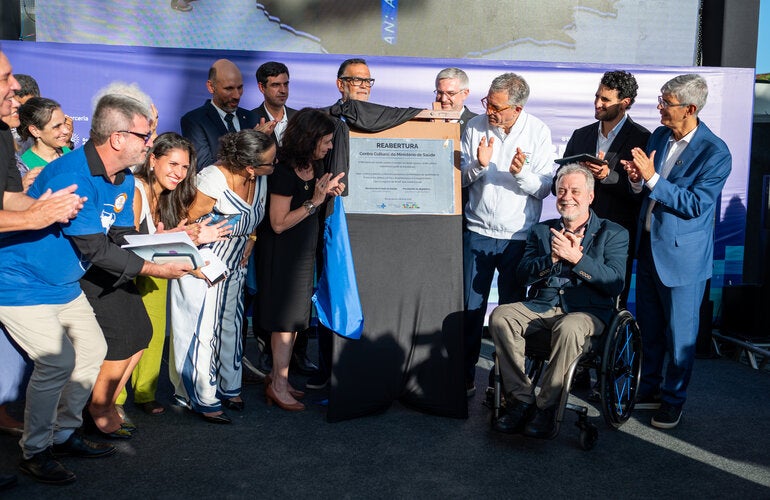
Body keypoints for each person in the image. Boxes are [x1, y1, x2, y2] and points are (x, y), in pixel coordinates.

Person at [0, 70, 191, 484]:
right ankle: (35, 450)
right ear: (118, 138)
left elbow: (121, 237)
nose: (149, 143)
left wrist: (177, 242)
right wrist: (160, 268)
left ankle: (65, 432)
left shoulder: (119, 177)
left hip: (63, 285)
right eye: (144, 136)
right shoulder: (73, 175)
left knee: (92, 350)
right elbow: (95, 248)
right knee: (58, 363)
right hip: (20, 283)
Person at [624, 74, 731, 429]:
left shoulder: (716, 152)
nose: (659, 108)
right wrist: (638, 179)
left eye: (665, 103)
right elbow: (646, 188)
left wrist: (653, 179)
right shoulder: (658, 136)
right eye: (660, 100)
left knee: (680, 337)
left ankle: (673, 401)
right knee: (651, 330)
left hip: (683, 260)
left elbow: (695, 204)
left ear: (689, 108)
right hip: (649, 251)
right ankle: (650, 390)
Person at [489, 164, 628, 438]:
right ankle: (521, 399)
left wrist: (577, 259)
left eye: (575, 191)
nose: (567, 196)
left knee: (570, 326)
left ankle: (546, 406)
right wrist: (551, 259)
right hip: (542, 306)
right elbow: (522, 276)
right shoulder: (541, 231)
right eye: (562, 190)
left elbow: (615, 282)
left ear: (590, 196)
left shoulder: (613, 233)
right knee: (501, 315)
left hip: (587, 312)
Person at [169, 129, 276, 423]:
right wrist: (196, 254)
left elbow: (253, 221)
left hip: (235, 263)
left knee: (230, 322)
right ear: (249, 166)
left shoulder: (259, 179)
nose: (273, 166)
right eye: (269, 163)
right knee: (203, 329)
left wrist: (252, 238)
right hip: (203, 263)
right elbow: (182, 223)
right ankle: (202, 397)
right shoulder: (212, 179)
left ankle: (229, 386)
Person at [461, 72, 554, 397]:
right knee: (470, 309)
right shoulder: (473, 127)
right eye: (488, 102)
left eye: (497, 107)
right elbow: (458, 181)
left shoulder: (538, 131)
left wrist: (520, 174)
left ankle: (505, 383)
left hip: (520, 237)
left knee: (511, 314)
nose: (489, 111)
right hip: (477, 233)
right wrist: (478, 165)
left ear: (517, 108)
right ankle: (464, 376)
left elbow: (544, 188)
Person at [257, 108, 345, 410]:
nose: (330, 147)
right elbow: (279, 223)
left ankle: (276, 379)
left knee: (294, 321)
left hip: (303, 253)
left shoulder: (315, 164)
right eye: (326, 141)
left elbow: (312, 201)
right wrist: (314, 202)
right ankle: (279, 385)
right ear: (309, 138)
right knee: (284, 322)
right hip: (281, 256)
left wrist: (327, 192)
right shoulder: (282, 170)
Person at [558, 70, 650, 307]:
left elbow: (642, 194)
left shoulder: (642, 138)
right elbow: (556, 183)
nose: (598, 103)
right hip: (576, 233)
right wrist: (575, 176)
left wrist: (610, 176)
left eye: (605, 100)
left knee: (610, 302)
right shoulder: (581, 135)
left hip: (615, 236)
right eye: (597, 96)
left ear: (624, 103)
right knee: (569, 299)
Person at [180, 59, 266, 172]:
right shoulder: (194, 121)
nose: (236, 95)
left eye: (240, 88)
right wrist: (251, 143)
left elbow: (265, 165)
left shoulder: (253, 118)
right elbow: (204, 168)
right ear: (211, 87)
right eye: (229, 88)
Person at [18, 97, 72, 170]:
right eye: (57, 126)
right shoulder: (26, 166)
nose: (66, 131)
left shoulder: (67, 152)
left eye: (64, 123)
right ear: (35, 131)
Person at [434, 67, 477, 136]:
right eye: (440, 93)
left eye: (451, 93)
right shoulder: (425, 122)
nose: (443, 99)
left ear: (465, 94)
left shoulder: (477, 124)